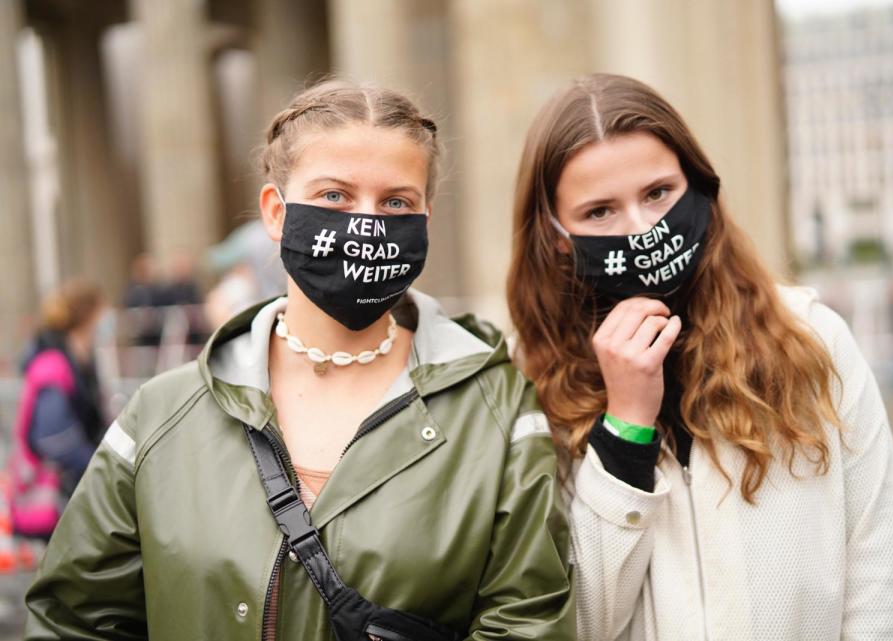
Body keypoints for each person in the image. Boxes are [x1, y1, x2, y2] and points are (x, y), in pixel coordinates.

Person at [24, 79, 574, 641]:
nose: (367, 222)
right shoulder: (160, 415)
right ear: (275, 213)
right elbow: (74, 620)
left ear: (424, 219)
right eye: (334, 196)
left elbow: (528, 618)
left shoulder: (498, 408)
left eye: (396, 202)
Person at [506, 73, 893, 640]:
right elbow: (577, 622)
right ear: (556, 234)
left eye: (657, 193)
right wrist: (625, 429)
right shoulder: (527, 388)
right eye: (600, 212)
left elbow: (878, 579)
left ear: (698, 188)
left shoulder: (812, 341)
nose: (642, 229)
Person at [10, 279, 107, 539]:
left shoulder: (78, 360)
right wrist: (101, 468)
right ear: (88, 317)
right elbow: (55, 437)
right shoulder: (54, 364)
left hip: (71, 493)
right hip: (60, 496)